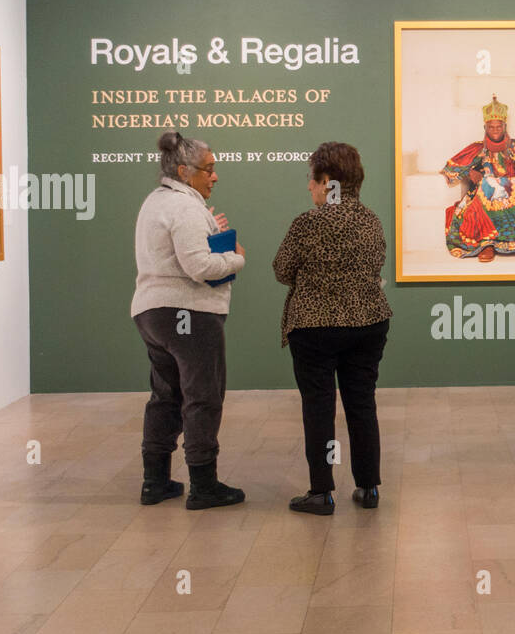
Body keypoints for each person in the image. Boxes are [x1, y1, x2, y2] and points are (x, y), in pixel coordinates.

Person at [274, 142, 393, 515]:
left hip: (315, 327)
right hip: (368, 323)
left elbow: (281, 269)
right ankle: (368, 487)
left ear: (328, 181)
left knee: (319, 408)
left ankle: (322, 492)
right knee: (361, 404)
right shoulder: (371, 219)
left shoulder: (307, 223)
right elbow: (377, 264)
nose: (309, 187)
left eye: (312, 180)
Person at [130, 131, 246, 508]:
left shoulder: (156, 202)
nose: (215, 176)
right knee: (203, 396)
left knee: (166, 395)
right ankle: (203, 484)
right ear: (184, 170)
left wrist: (214, 234)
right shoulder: (185, 208)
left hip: (152, 313)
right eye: (209, 170)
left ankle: (155, 481)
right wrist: (237, 257)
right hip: (189, 314)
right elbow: (199, 267)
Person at [442, 95, 515, 262]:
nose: (495, 130)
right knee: (485, 188)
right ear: (485, 127)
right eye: (491, 127)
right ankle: (487, 244)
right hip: (487, 192)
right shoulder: (478, 148)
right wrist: (470, 172)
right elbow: (453, 169)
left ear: (505, 126)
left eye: (499, 126)